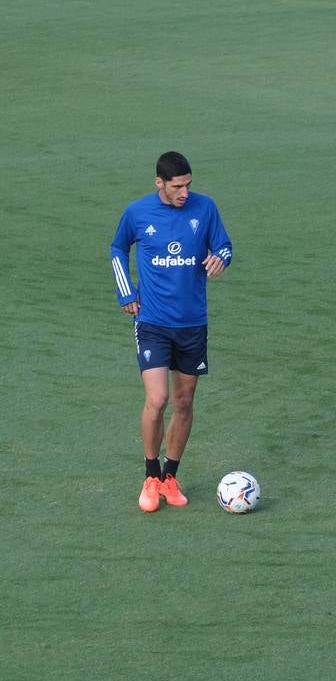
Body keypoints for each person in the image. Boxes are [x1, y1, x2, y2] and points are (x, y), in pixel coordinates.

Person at [110, 151, 233, 513]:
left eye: (188, 185)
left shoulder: (205, 208)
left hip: (193, 323)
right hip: (152, 322)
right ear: (159, 183)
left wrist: (219, 259)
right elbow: (118, 247)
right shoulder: (137, 213)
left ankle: (170, 476)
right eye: (177, 186)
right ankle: (150, 475)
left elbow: (225, 246)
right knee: (158, 400)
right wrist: (125, 290)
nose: (184, 192)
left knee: (183, 402)